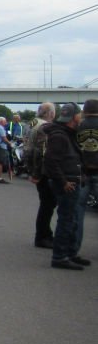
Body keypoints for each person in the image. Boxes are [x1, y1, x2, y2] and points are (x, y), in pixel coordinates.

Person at [46, 103, 87, 270]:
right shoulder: (60, 136)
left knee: (72, 220)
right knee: (67, 220)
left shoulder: (66, 133)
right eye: (80, 115)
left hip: (71, 180)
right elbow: (51, 161)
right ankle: (60, 256)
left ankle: (69, 253)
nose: (81, 118)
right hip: (67, 183)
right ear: (74, 117)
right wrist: (63, 181)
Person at [25, 102, 57, 249]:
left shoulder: (32, 123)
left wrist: (31, 170)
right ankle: (43, 236)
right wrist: (37, 173)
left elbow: (28, 147)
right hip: (43, 170)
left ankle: (44, 234)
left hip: (34, 167)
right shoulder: (45, 127)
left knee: (46, 204)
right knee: (47, 205)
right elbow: (40, 152)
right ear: (51, 113)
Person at [74, 99, 98, 254]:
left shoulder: (78, 126)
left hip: (81, 173)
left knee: (77, 213)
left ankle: (73, 250)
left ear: (84, 110)